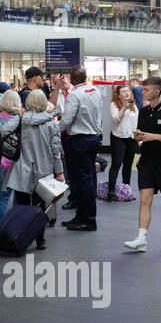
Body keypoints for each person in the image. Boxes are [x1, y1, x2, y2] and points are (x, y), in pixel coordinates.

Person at [0, 89, 63, 253]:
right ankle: (40, 239)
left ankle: (21, 236)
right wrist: (59, 172)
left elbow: (2, 132)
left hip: (21, 168)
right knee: (40, 206)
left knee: (23, 206)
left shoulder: (21, 119)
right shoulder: (51, 123)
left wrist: (10, 147)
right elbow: (56, 150)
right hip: (44, 170)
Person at [124, 77, 161, 253]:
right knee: (144, 200)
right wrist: (139, 136)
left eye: (145, 90)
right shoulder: (143, 112)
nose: (142, 93)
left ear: (156, 92)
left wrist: (153, 136)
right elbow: (144, 134)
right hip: (146, 163)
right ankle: (141, 238)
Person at [57, 66, 102, 231]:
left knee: (82, 181)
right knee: (88, 179)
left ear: (73, 80)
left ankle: (88, 219)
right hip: (93, 138)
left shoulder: (74, 95)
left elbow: (67, 120)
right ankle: (81, 216)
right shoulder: (95, 91)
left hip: (79, 140)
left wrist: (57, 128)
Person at [106, 84, 138, 200]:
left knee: (128, 165)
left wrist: (137, 137)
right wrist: (124, 107)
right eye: (123, 91)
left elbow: (135, 123)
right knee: (116, 164)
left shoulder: (134, 106)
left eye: (128, 91)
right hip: (118, 137)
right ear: (118, 95)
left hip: (131, 138)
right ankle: (111, 191)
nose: (126, 93)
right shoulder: (114, 105)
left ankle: (126, 191)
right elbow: (116, 118)